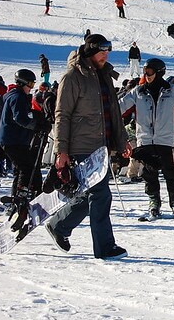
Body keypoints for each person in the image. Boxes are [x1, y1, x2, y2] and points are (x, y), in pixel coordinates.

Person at [46, 33, 130, 259]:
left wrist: (122, 142)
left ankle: (59, 226)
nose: (106, 54)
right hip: (81, 145)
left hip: (100, 146)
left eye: (108, 51)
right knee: (101, 194)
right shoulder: (73, 77)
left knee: (88, 194)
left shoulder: (104, 76)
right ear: (91, 51)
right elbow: (61, 114)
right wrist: (61, 150)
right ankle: (105, 247)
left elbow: (113, 114)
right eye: (102, 51)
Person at [119, 58, 174, 220]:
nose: (146, 75)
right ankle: (154, 203)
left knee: (170, 173)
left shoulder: (172, 91)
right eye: (145, 71)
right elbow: (119, 107)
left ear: (159, 72)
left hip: (165, 140)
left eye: (150, 71)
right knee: (149, 174)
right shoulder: (138, 92)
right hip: (145, 140)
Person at [0, 69, 51, 201]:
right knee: (26, 167)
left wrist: (36, 115)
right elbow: (20, 118)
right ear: (22, 83)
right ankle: (21, 196)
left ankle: (17, 194)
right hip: (13, 139)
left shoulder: (16, 95)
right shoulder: (17, 97)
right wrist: (36, 126)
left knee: (21, 168)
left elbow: (25, 114)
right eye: (30, 85)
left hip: (13, 139)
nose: (31, 89)